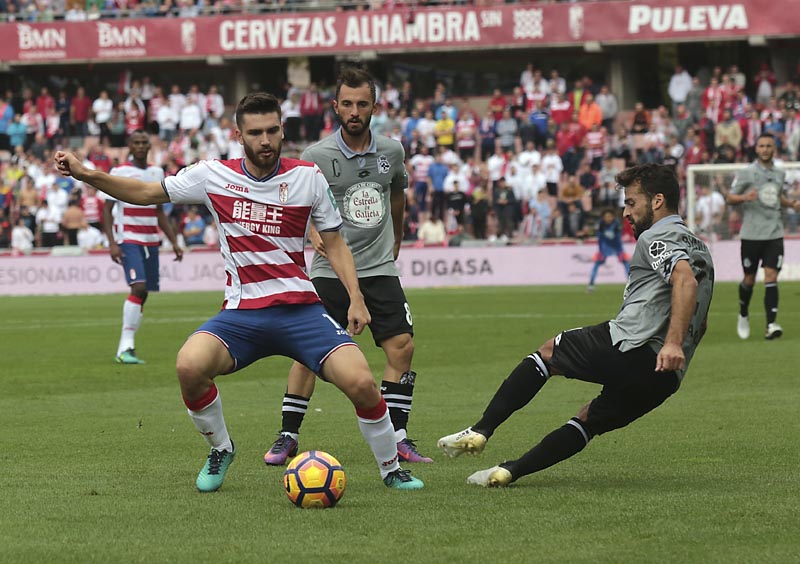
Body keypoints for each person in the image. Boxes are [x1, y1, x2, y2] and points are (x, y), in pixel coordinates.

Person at [55, 92, 423, 493]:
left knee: (363, 383)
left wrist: (355, 296)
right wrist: (85, 174)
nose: (265, 140)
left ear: (283, 130)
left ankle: (391, 469)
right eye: (255, 133)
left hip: (302, 310)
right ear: (238, 135)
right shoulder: (213, 175)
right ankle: (221, 448)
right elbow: (145, 193)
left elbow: (334, 243)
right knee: (188, 366)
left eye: (272, 131)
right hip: (242, 314)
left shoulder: (307, 177)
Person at [437, 164, 715, 487]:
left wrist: (671, 343)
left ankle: (481, 430)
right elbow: (702, 318)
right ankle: (508, 472)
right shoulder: (703, 251)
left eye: (631, 202)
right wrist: (676, 347)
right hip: (665, 379)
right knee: (588, 420)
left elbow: (684, 281)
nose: (626, 211)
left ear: (657, 201)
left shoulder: (656, 236)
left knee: (549, 352)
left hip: (632, 345)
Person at [264, 67, 433, 467]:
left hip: (377, 267)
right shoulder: (316, 156)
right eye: (348, 104)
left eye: (362, 104)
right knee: (308, 351)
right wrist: (308, 231)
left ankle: (398, 436)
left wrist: (398, 236)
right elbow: (294, 204)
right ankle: (287, 434)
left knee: (402, 346)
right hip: (330, 270)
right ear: (335, 106)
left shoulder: (392, 151)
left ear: (374, 106)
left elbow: (397, 194)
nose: (355, 111)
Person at [102, 130, 184, 364]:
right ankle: (124, 347)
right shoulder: (119, 172)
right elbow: (107, 210)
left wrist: (174, 242)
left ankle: (128, 347)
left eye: (144, 142)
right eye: (136, 142)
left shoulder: (156, 172)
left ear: (149, 146)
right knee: (138, 287)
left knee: (144, 292)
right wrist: (112, 242)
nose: (140, 146)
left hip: (151, 241)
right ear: (129, 145)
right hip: (129, 239)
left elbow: (159, 212)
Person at [727, 133, 800, 340]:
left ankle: (771, 325)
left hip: (774, 232)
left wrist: (791, 204)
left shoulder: (779, 173)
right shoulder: (746, 173)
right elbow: (730, 198)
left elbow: (776, 196)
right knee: (749, 279)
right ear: (756, 149)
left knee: (771, 277)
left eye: (769, 146)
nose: (766, 149)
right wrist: (744, 197)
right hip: (751, 234)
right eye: (762, 146)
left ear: (774, 149)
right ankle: (743, 313)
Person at [587, 209, 630, 292]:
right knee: (596, 265)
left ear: (613, 217)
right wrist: (601, 250)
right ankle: (591, 285)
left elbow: (617, 237)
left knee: (626, 265)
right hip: (604, 247)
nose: (608, 218)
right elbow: (598, 236)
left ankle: (631, 285)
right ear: (603, 217)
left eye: (610, 216)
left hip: (617, 247)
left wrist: (620, 250)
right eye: (606, 216)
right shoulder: (600, 224)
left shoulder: (617, 224)